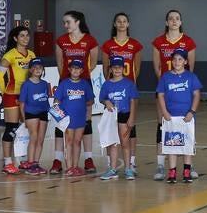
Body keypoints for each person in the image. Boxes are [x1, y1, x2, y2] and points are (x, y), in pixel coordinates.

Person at [152, 9, 198, 181]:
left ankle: (189, 165)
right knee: (163, 127)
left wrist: (181, 84)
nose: (173, 21)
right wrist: (167, 85)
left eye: (177, 18)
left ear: (180, 22)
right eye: (170, 18)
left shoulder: (188, 41)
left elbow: (190, 68)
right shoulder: (158, 41)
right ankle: (161, 165)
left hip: (183, 92)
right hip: (166, 90)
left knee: (186, 129)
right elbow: (157, 67)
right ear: (166, 22)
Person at [53, 11, 99, 174]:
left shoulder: (90, 40)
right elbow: (60, 63)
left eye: (68, 22)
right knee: (61, 122)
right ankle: (58, 160)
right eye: (64, 22)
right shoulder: (61, 41)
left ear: (78, 22)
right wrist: (66, 80)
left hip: (83, 83)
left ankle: (88, 158)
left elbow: (92, 64)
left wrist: (79, 75)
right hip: (65, 83)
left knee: (85, 121)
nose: (65, 25)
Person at [102, 12, 143, 174]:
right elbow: (106, 68)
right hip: (113, 93)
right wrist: (111, 87)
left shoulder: (135, 45)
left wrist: (128, 86)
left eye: (124, 21)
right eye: (118, 21)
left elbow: (137, 69)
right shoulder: (107, 45)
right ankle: (110, 164)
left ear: (128, 24)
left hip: (128, 91)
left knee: (131, 128)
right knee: (111, 130)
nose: (121, 23)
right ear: (114, 24)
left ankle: (131, 162)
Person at [155, 47, 201, 184]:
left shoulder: (191, 77)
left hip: (187, 117)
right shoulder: (166, 77)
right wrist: (164, 112)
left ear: (185, 61)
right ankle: (172, 171)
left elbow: (197, 95)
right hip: (170, 117)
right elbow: (161, 95)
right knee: (171, 144)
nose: (177, 62)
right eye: (174, 59)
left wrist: (192, 112)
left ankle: (187, 171)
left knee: (187, 144)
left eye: (180, 59)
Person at [0, 25, 33, 175]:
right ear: (15, 38)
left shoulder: (31, 54)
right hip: (12, 96)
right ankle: (7, 162)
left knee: (26, 127)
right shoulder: (9, 55)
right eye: (22, 35)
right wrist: (6, 92)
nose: (25, 38)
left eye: (27, 35)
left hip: (27, 96)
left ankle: (22, 159)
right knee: (11, 128)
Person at [98, 55, 139, 181]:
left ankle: (128, 168)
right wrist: (106, 102)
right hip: (111, 116)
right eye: (114, 67)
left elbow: (133, 101)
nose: (117, 70)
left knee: (125, 143)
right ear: (110, 69)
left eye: (119, 67)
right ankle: (112, 169)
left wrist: (131, 117)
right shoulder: (106, 84)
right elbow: (101, 98)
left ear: (123, 69)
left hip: (124, 115)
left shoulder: (129, 84)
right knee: (112, 143)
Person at [56, 58, 94, 178]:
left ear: (82, 70)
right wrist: (60, 116)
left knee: (77, 142)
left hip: (80, 118)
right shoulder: (64, 84)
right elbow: (56, 100)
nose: (75, 70)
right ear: (69, 69)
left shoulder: (85, 84)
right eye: (73, 68)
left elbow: (91, 100)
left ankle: (75, 166)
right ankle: (69, 167)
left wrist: (82, 105)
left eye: (78, 68)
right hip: (67, 119)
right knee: (69, 141)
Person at [18, 59, 51, 175]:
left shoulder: (44, 84)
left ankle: (36, 163)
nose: (38, 70)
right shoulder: (26, 85)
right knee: (34, 137)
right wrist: (24, 118)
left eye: (40, 68)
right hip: (31, 113)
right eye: (35, 68)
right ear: (31, 70)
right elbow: (22, 103)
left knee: (41, 139)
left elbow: (46, 100)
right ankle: (30, 163)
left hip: (43, 112)